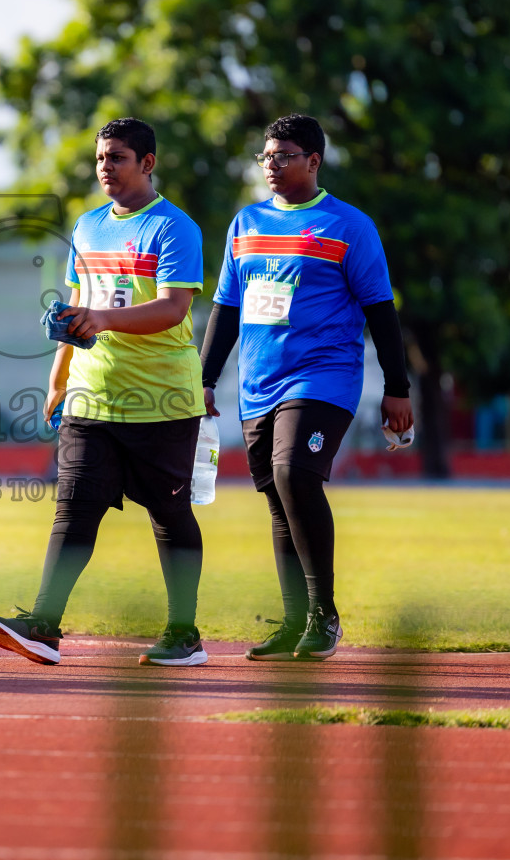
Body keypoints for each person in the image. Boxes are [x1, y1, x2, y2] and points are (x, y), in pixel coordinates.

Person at [0, 117, 210, 667]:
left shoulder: (175, 227)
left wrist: (100, 318)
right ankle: (43, 625)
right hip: (92, 395)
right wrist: (57, 379)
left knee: (170, 515)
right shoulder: (86, 227)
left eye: (118, 157)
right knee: (74, 509)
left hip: (161, 400)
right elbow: (77, 306)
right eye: (101, 157)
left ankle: (184, 634)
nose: (105, 167)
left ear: (147, 163)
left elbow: (173, 308)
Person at [200, 114, 413, 662]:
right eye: (266, 156)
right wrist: (203, 379)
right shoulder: (246, 223)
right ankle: (294, 621)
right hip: (258, 383)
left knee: (295, 475)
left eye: (284, 155)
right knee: (278, 496)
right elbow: (226, 308)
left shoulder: (349, 226)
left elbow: (381, 310)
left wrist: (397, 387)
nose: (271, 165)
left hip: (323, 376)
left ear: (314, 161)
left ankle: (324, 616)